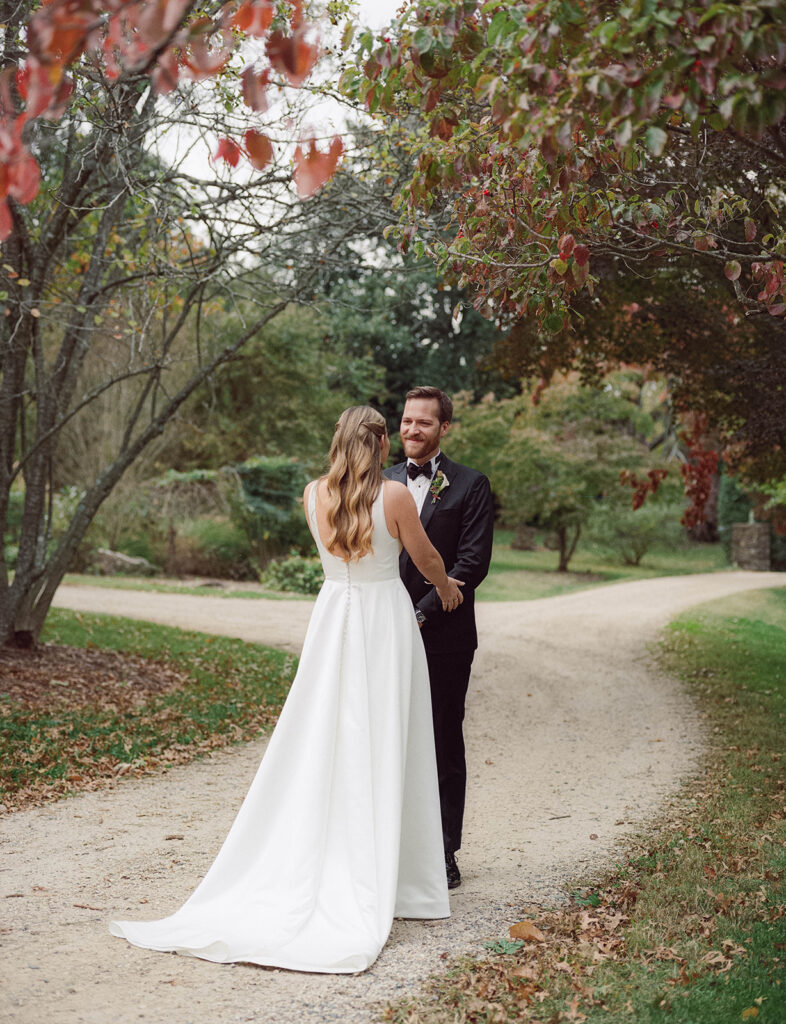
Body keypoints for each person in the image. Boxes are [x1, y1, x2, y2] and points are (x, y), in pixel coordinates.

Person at [109, 406, 464, 973]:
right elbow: (423, 559)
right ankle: (402, 883)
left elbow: (339, 559)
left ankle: (337, 854)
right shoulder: (394, 496)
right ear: (374, 444)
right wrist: (446, 589)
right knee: (387, 734)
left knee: (327, 733)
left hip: (333, 618)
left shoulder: (311, 494)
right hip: (382, 624)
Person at [385, 387, 495, 890]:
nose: (412, 430)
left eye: (423, 423)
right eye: (407, 421)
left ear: (444, 428)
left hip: (445, 637)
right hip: (382, 631)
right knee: (387, 739)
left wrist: (421, 614)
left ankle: (444, 851)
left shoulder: (470, 486)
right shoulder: (380, 481)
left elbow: (471, 565)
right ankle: (389, 848)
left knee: (442, 741)